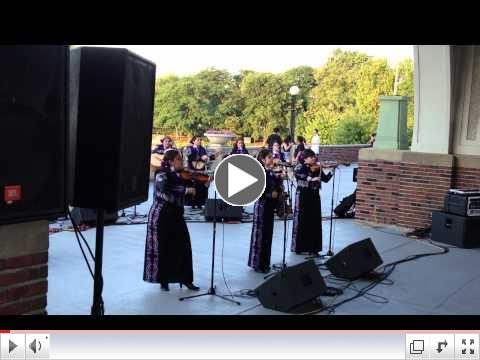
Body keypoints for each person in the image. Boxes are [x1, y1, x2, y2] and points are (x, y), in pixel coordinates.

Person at [143, 149, 200, 292]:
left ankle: (186, 279)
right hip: (162, 215)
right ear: (171, 161)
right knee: (164, 247)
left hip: (176, 215)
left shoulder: (181, 176)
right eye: (179, 159)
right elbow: (164, 190)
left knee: (184, 246)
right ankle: (164, 280)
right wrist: (185, 190)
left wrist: (201, 186)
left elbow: (188, 196)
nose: (182, 162)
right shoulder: (161, 174)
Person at [291, 149, 333, 256]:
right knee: (302, 220)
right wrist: (311, 178)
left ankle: (313, 248)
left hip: (314, 196)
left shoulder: (317, 168)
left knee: (314, 221)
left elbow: (325, 179)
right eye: (311, 157)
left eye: (314, 156)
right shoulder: (300, 166)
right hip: (303, 196)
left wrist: (332, 170)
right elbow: (298, 175)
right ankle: (299, 247)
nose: (314, 158)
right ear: (305, 159)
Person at [248, 149, 283, 273]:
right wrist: (270, 194)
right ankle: (257, 263)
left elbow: (277, 189)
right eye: (269, 157)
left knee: (268, 235)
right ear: (262, 160)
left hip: (269, 207)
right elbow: (256, 191)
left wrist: (279, 180)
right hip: (262, 206)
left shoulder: (271, 172)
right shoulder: (259, 172)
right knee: (260, 235)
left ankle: (265, 263)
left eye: (271, 157)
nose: (271, 160)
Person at [184, 135, 209, 209]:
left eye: (200, 140)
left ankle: (200, 203)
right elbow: (187, 156)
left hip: (201, 170)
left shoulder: (203, 149)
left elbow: (205, 158)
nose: (200, 141)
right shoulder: (189, 148)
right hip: (192, 169)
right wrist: (199, 157)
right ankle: (192, 203)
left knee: (201, 186)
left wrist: (206, 158)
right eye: (198, 140)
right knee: (193, 186)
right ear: (193, 141)